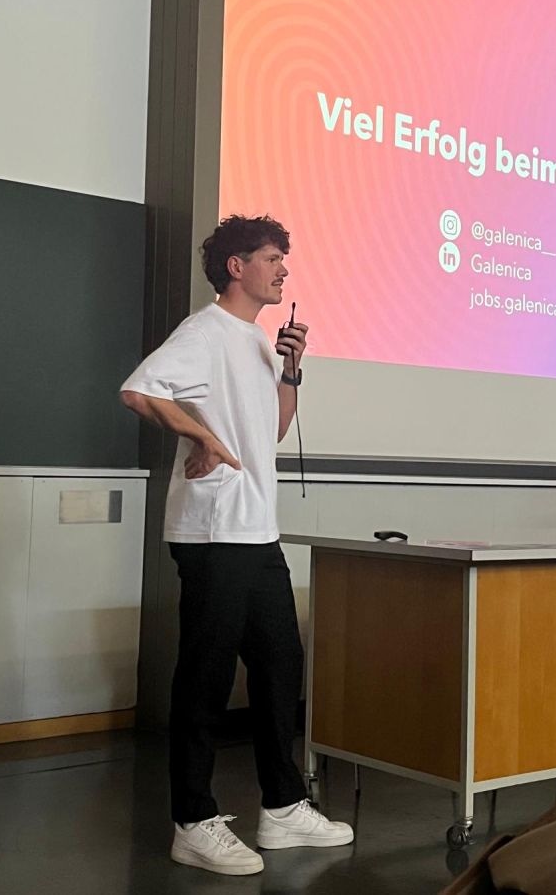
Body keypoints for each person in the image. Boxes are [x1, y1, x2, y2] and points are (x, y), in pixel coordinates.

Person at [120, 214, 353, 877]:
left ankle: (283, 807)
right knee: (207, 675)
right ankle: (192, 822)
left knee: (281, 665)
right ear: (237, 266)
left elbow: (270, 431)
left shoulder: (255, 342)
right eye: (273, 258)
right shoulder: (204, 332)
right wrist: (198, 436)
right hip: (213, 532)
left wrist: (291, 371)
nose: (284, 270)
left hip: (256, 531)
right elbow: (137, 390)